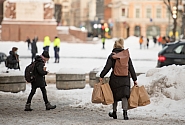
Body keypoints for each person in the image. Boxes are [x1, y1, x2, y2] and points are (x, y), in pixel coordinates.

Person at [99, 38, 138, 120]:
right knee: (124, 96)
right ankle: (125, 114)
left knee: (114, 95)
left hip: (115, 78)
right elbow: (131, 68)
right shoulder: (126, 56)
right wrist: (135, 79)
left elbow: (107, 68)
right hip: (125, 79)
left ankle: (114, 112)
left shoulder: (112, 56)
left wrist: (101, 75)